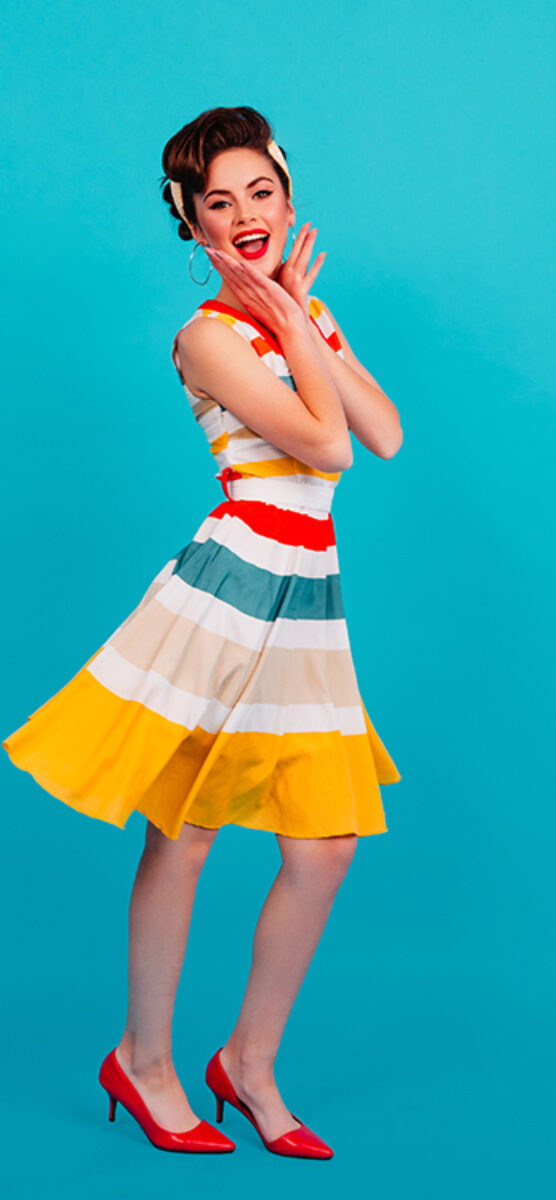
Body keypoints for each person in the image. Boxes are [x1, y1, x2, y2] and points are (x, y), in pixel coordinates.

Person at [2, 105, 403, 1159]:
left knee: (324, 848)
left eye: (259, 192)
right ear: (193, 227)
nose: (246, 214)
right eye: (218, 203)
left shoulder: (306, 317)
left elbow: (389, 432)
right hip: (229, 588)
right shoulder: (209, 337)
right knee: (184, 832)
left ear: (286, 193)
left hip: (305, 594)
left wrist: (308, 315)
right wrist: (287, 316)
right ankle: (143, 1062)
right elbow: (330, 445)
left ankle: (248, 1064)